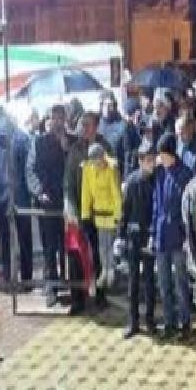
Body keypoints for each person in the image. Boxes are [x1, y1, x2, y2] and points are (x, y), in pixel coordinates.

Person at [0, 106, 34, 290]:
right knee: (25, 239)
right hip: (22, 197)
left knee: (5, 240)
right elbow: (29, 169)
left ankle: (8, 279)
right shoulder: (22, 137)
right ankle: (27, 280)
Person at [151, 132, 194, 340]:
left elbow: (189, 208)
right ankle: (169, 322)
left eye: (163, 154)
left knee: (181, 282)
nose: (160, 158)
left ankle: (185, 322)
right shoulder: (160, 173)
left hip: (178, 235)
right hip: (161, 234)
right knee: (164, 282)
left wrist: (187, 236)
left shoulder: (185, 174)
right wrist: (153, 232)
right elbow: (156, 203)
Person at [27, 103, 70, 306]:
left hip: (67, 202)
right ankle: (51, 284)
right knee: (49, 246)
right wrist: (39, 191)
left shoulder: (71, 141)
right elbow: (30, 169)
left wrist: (66, 148)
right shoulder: (38, 142)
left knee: (67, 245)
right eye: (55, 118)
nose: (58, 122)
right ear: (49, 120)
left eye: (61, 118)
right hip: (47, 201)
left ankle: (69, 282)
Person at [65, 112, 105, 311]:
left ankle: (101, 295)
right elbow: (68, 183)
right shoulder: (75, 150)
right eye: (81, 125)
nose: (83, 128)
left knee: (100, 255)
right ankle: (77, 299)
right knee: (75, 256)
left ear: (95, 127)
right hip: (79, 211)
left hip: (101, 212)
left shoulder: (105, 147)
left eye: (87, 125)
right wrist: (71, 209)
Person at [118, 140, 157, 338]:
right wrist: (120, 235)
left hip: (150, 235)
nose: (151, 163)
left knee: (149, 280)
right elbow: (125, 209)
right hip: (134, 235)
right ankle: (132, 321)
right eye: (148, 160)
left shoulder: (157, 180)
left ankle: (150, 319)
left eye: (153, 159)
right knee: (133, 280)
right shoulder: (132, 182)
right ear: (140, 161)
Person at [80, 142, 122, 295]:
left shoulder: (111, 168)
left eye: (97, 159)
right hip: (98, 214)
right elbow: (86, 193)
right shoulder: (88, 169)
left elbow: (116, 193)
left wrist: (118, 215)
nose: (96, 163)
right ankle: (104, 269)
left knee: (110, 244)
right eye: (93, 161)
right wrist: (85, 214)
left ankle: (111, 270)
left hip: (110, 213)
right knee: (101, 244)